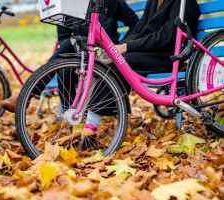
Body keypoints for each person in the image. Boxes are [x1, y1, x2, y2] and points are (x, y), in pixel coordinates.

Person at [58, 0, 201, 150]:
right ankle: (85, 127)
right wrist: (114, 49)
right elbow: (139, 29)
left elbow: (166, 38)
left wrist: (125, 47)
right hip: (147, 52)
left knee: (116, 65)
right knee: (103, 63)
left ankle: (88, 136)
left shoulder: (185, 3)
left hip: (167, 57)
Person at [0, 0, 139, 112]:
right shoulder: (68, 4)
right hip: (79, 52)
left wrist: (118, 47)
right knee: (65, 65)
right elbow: (63, 37)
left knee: (66, 50)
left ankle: (27, 93)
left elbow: (135, 23)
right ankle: (71, 117)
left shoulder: (111, 2)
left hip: (103, 53)